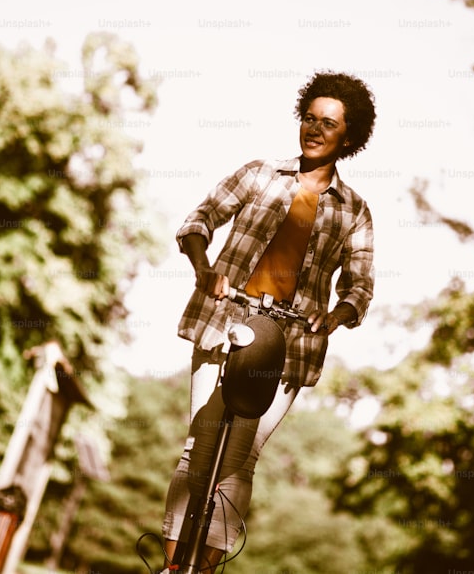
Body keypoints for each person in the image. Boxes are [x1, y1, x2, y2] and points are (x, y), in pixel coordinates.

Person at [160, 71, 376, 572]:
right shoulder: (260, 174)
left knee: (241, 459)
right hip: (225, 323)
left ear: (348, 136)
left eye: (329, 123)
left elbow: (360, 288)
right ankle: (172, 567)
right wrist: (204, 269)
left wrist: (336, 315)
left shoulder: (355, 212)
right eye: (309, 118)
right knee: (200, 446)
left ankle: (206, 567)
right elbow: (198, 221)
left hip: (290, 345)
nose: (315, 130)